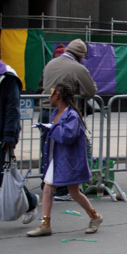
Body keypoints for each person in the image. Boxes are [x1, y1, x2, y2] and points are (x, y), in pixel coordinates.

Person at [28, 84, 102, 236]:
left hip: (69, 160)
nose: (49, 96)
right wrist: (47, 128)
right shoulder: (56, 112)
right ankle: (45, 225)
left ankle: (95, 216)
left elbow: (67, 137)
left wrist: (50, 128)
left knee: (74, 192)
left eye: (52, 93)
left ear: (58, 96)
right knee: (48, 188)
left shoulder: (72, 116)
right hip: (56, 158)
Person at [0, 33, 38, 231]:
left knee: (0, 176)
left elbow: (11, 108)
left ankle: (31, 201)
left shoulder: (5, 74)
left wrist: (10, 135)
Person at [40, 38, 97, 201]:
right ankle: (62, 189)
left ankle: (47, 186)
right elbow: (90, 91)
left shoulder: (51, 63)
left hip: (45, 110)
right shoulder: (77, 68)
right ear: (80, 56)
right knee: (66, 152)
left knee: (47, 150)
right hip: (64, 114)